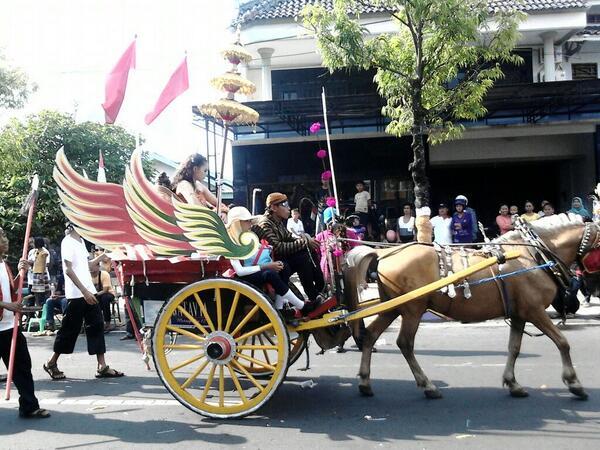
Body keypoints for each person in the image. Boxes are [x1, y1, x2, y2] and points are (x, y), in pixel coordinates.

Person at [43, 223, 124, 380]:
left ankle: (102, 366)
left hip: (89, 291)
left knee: (96, 326)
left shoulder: (80, 242)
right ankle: (51, 362)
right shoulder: (67, 241)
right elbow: (68, 269)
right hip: (77, 294)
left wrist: (103, 256)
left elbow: (85, 266)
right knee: (69, 330)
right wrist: (84, 291)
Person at [0, 226, 50, 418]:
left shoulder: (3, 264)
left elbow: (12, 289)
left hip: (9, 326)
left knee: (22, 366)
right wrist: (7, 305)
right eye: (2, 236)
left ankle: (29, 406)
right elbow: (6, 300)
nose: (6, 239)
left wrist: (22, 273)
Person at [227, 207, 310, 316]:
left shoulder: (247, 237)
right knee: (269, 274)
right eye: (247, 221)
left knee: (284, 266)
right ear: (237, 223)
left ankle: (279, 309)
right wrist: (266, 266)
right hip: (242, 278)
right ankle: (302, 306)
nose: (250, 223)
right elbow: (240, 271)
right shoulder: (232, 243)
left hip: (254, 270)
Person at [252, 193, 325, 304]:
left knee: (307, 250)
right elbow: (278, 248)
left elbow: (289, 238)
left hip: (280, 260)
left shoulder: (278, 222)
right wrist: (305, 242)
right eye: (285, 204)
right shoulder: (265, 224)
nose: (288, 208)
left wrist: (307, 241)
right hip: (271, 264)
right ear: (274, 207)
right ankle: (313, 296)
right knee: (303, 257)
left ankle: (320, 288)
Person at [90, 266, 116, 332]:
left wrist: (94, 295)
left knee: (105, 299)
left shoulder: (104, 274)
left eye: (93, 266)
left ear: (98, 267)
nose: (91, 269)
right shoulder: (87, 275)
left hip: (108, 293)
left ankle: (107, 323)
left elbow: (105, 290)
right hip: (95, 295)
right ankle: (92, 324)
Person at [30, 237, 50, 307]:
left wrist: (42, 274)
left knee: (43, 291)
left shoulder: (44, 253)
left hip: (41, 273)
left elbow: (44, 264)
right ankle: (38, 305)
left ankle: (43, 305)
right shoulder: (36, 252)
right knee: (36, 291)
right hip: (35, 272)